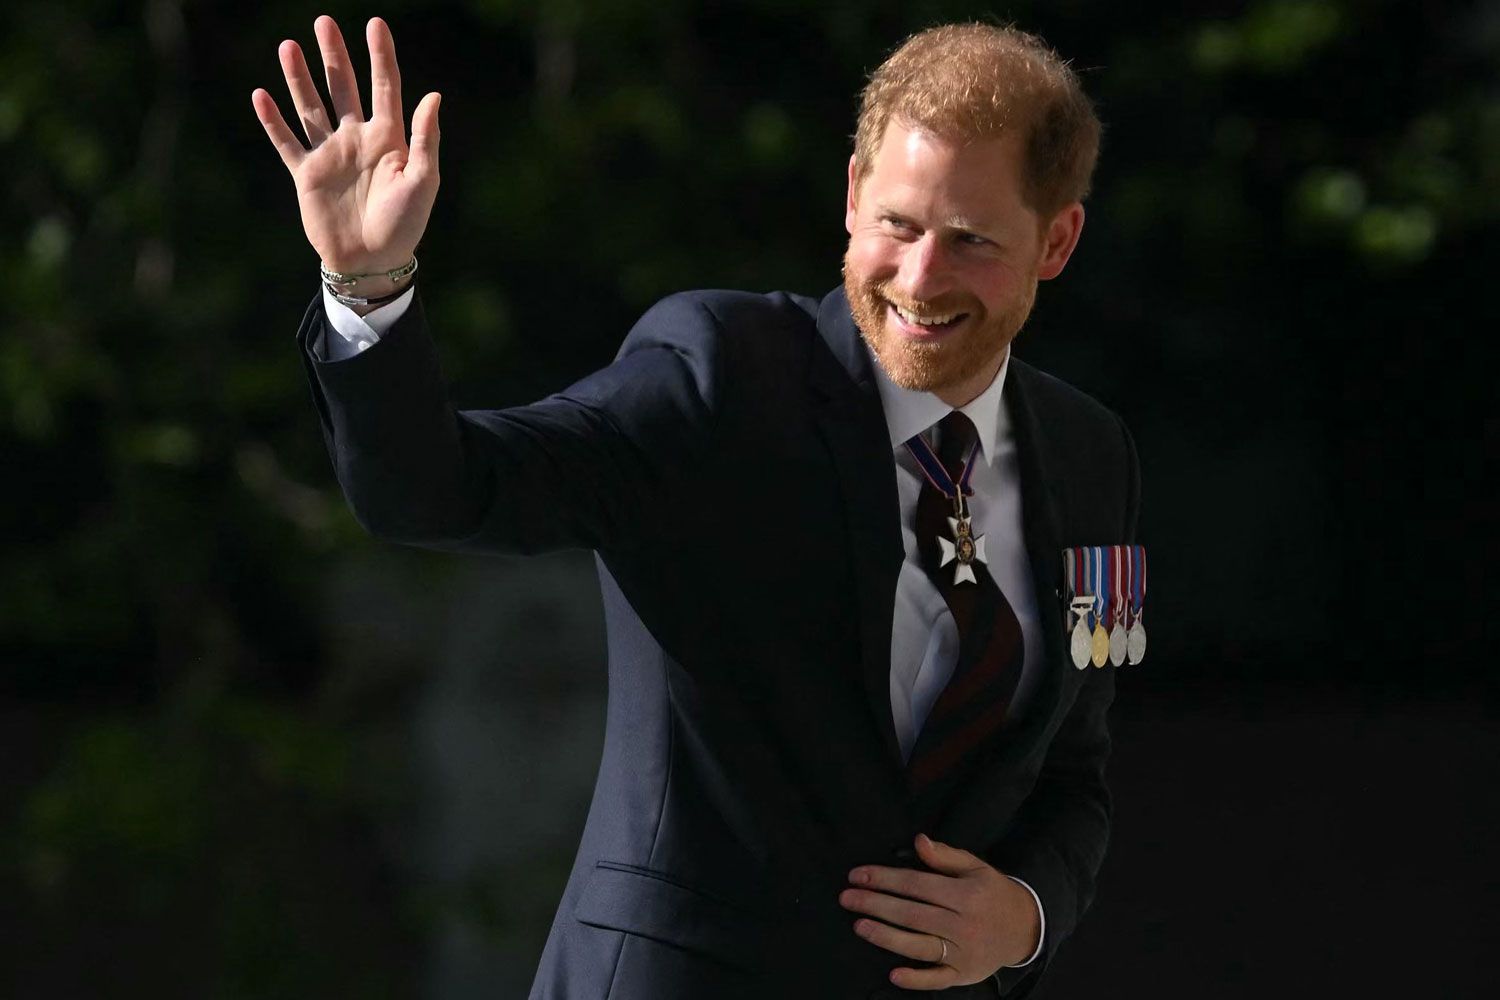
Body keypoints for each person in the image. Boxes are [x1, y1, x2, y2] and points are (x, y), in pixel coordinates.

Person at [252, 15, 1139, 1000]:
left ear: (1056, 238)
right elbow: (442, 491)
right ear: (851, 196)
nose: (919, 279)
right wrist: (368, 284)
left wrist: (1027, 915)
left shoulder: (1094, 459)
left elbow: (1076, 767)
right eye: (898, 223)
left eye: (971, 240)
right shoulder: (719, 375)